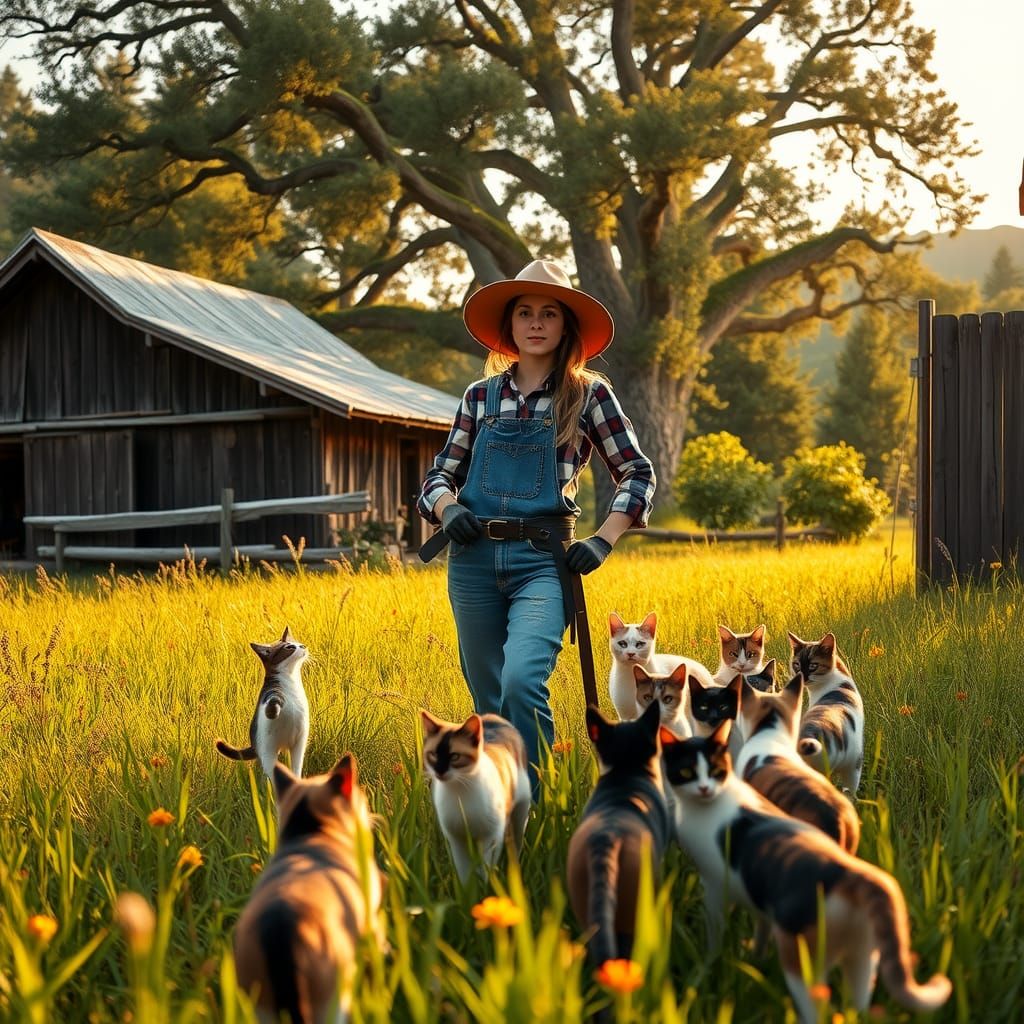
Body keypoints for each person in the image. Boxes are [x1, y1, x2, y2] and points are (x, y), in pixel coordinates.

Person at [417, 260, 656, 785]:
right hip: (473, 562)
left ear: (566, 325)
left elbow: (637, 473)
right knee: (489, 698)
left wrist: (605, 538)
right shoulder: (479, 398)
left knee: (523, 680)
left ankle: (540, 799)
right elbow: (437, 477)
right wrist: (447, 508)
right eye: (524, 312)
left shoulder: (589, 395)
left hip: (543, 563)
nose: (536, 322)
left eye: (549, 313)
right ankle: (504, 805)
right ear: (510, 326)